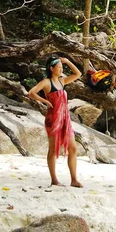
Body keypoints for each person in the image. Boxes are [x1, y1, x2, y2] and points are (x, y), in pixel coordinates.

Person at [28, 55, 83, 187]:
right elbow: (31, 92)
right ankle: (54, 179)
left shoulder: (62, 81)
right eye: (58, 67)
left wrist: (68, 61)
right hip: (53, 119)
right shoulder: (46, 82)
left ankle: (74, 180)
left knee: (73, 148)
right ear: (51, 68)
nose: (60, 69)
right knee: (53, 150)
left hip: (65, 119)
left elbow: (78, 74)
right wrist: (45, 101)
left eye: (61, 67)